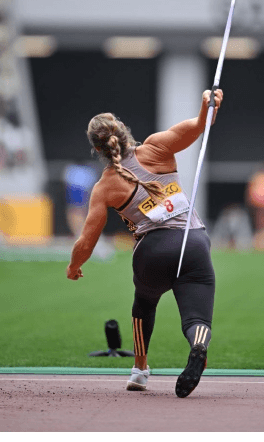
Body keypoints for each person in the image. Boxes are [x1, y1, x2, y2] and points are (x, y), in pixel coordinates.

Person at [66, 89, 223, 398]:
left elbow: (87, 240)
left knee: (144, 304)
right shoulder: (157, 146)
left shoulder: (104, 187)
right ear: (124, 131)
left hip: (152, 251)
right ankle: (198, 346)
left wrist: (74, 266)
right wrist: (209, 103)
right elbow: (200, 125)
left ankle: (139, 370)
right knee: (197, 318)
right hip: (193, 242)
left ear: (97, 149)